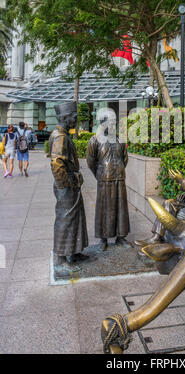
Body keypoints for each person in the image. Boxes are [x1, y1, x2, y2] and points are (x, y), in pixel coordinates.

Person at [50, 101, 89, 276]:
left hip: (71, 185)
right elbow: (56, 163)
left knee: (75, 218)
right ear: (66, 118)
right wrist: (65, 185)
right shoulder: (61, 137)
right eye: (74, 117)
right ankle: (60, 258)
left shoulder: (63, 134)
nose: (76, 120)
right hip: (67, 186)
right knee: (65, 220)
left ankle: (73, 251)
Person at [86, 110, 130, 251]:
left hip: (119, 178)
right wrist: (100, 173)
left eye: (114, 123)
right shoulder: (95, 140)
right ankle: (103, 238)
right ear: (103, 124)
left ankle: (121, 236)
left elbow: (125, 158)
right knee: (104, 208)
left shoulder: (120, 139)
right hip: (104, 179)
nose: (113, 125)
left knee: (121, 208)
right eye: (110, 123)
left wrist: (119, 169)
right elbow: (90, 161)